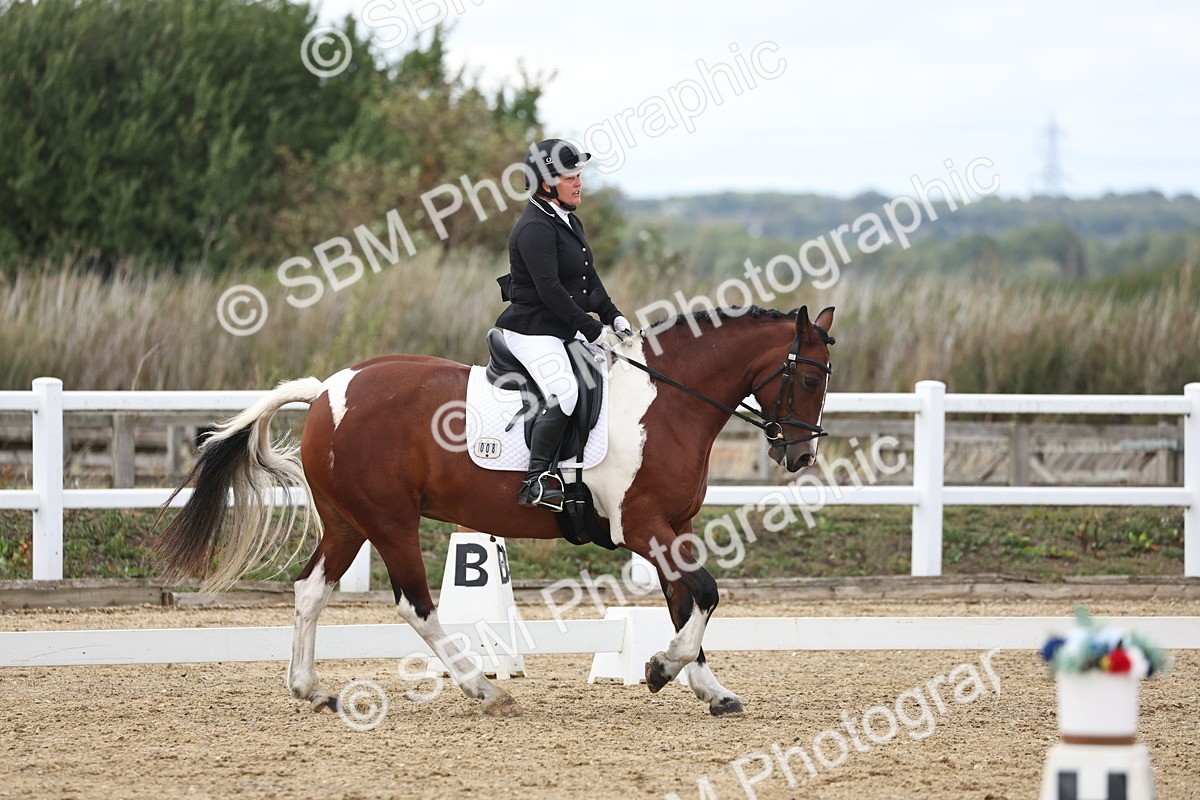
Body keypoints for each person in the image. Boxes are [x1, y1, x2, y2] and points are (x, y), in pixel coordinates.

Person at [495, 138, 633, 510]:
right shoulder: (534, 228)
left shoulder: (569, 220)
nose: (578, 182)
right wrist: (591, 331)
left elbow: (588, 281)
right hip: (532, 330)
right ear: (545, 183)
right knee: (566, 391)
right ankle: (536, 478)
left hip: (561, 327)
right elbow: (552, 291)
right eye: (570, 175)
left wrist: (613, 316)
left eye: (578, 174)